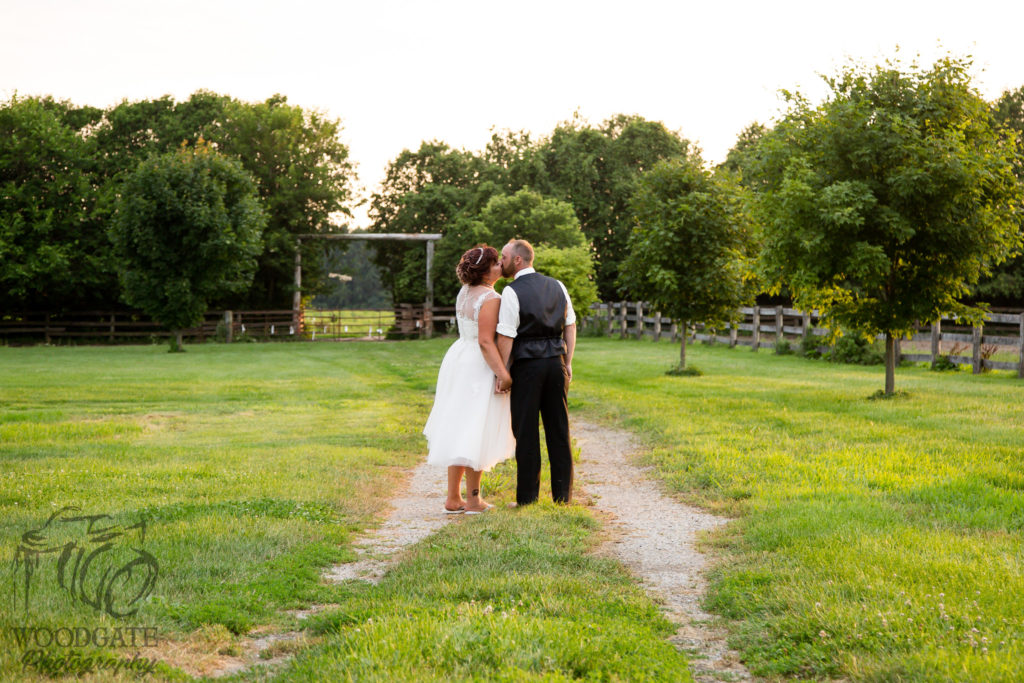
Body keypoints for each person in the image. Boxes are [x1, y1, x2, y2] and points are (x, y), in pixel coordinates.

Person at [423, 245, 515, 514]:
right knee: (477, 425)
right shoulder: (491, 298)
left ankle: (454, 498)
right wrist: (504, 375)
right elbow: (487, 342)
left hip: (459, 357)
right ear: (487, 270)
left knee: (460, 425)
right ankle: (473, 500)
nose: (501, 265)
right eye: (496, 262)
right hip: (478, 363)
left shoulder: (464, 292)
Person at [496, 239, 577, 505]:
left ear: (517, 260)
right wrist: (568, 362)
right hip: (555, 363)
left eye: (505, 257)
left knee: (526, 431)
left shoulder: (512, 291)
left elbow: (506, 336)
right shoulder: (558, 286)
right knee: (558, 429)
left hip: (528, 367)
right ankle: (563, 497)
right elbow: (570, 325)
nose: (502, 261)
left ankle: (528, 498)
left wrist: (503, 372)